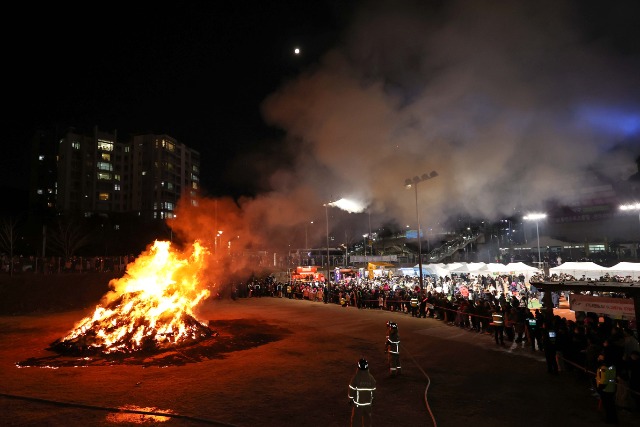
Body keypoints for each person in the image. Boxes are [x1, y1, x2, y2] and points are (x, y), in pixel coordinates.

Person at [348, 358, 376, 427]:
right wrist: (373, 399)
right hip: (367, 404)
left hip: (358, 405)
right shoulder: (371, 378)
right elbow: (374, 390)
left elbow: (351, 389)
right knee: (367, 419)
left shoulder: (355, 378)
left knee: (356, 420)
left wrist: (350, 399)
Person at [596, 354, 618, 424]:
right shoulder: (611, 366)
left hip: (606, 389)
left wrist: (600, 387)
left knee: (608, 406)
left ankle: (610, 420)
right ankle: (612, 419)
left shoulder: (605, 367)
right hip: (610, 388)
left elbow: (605, 378)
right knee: (610, 405)